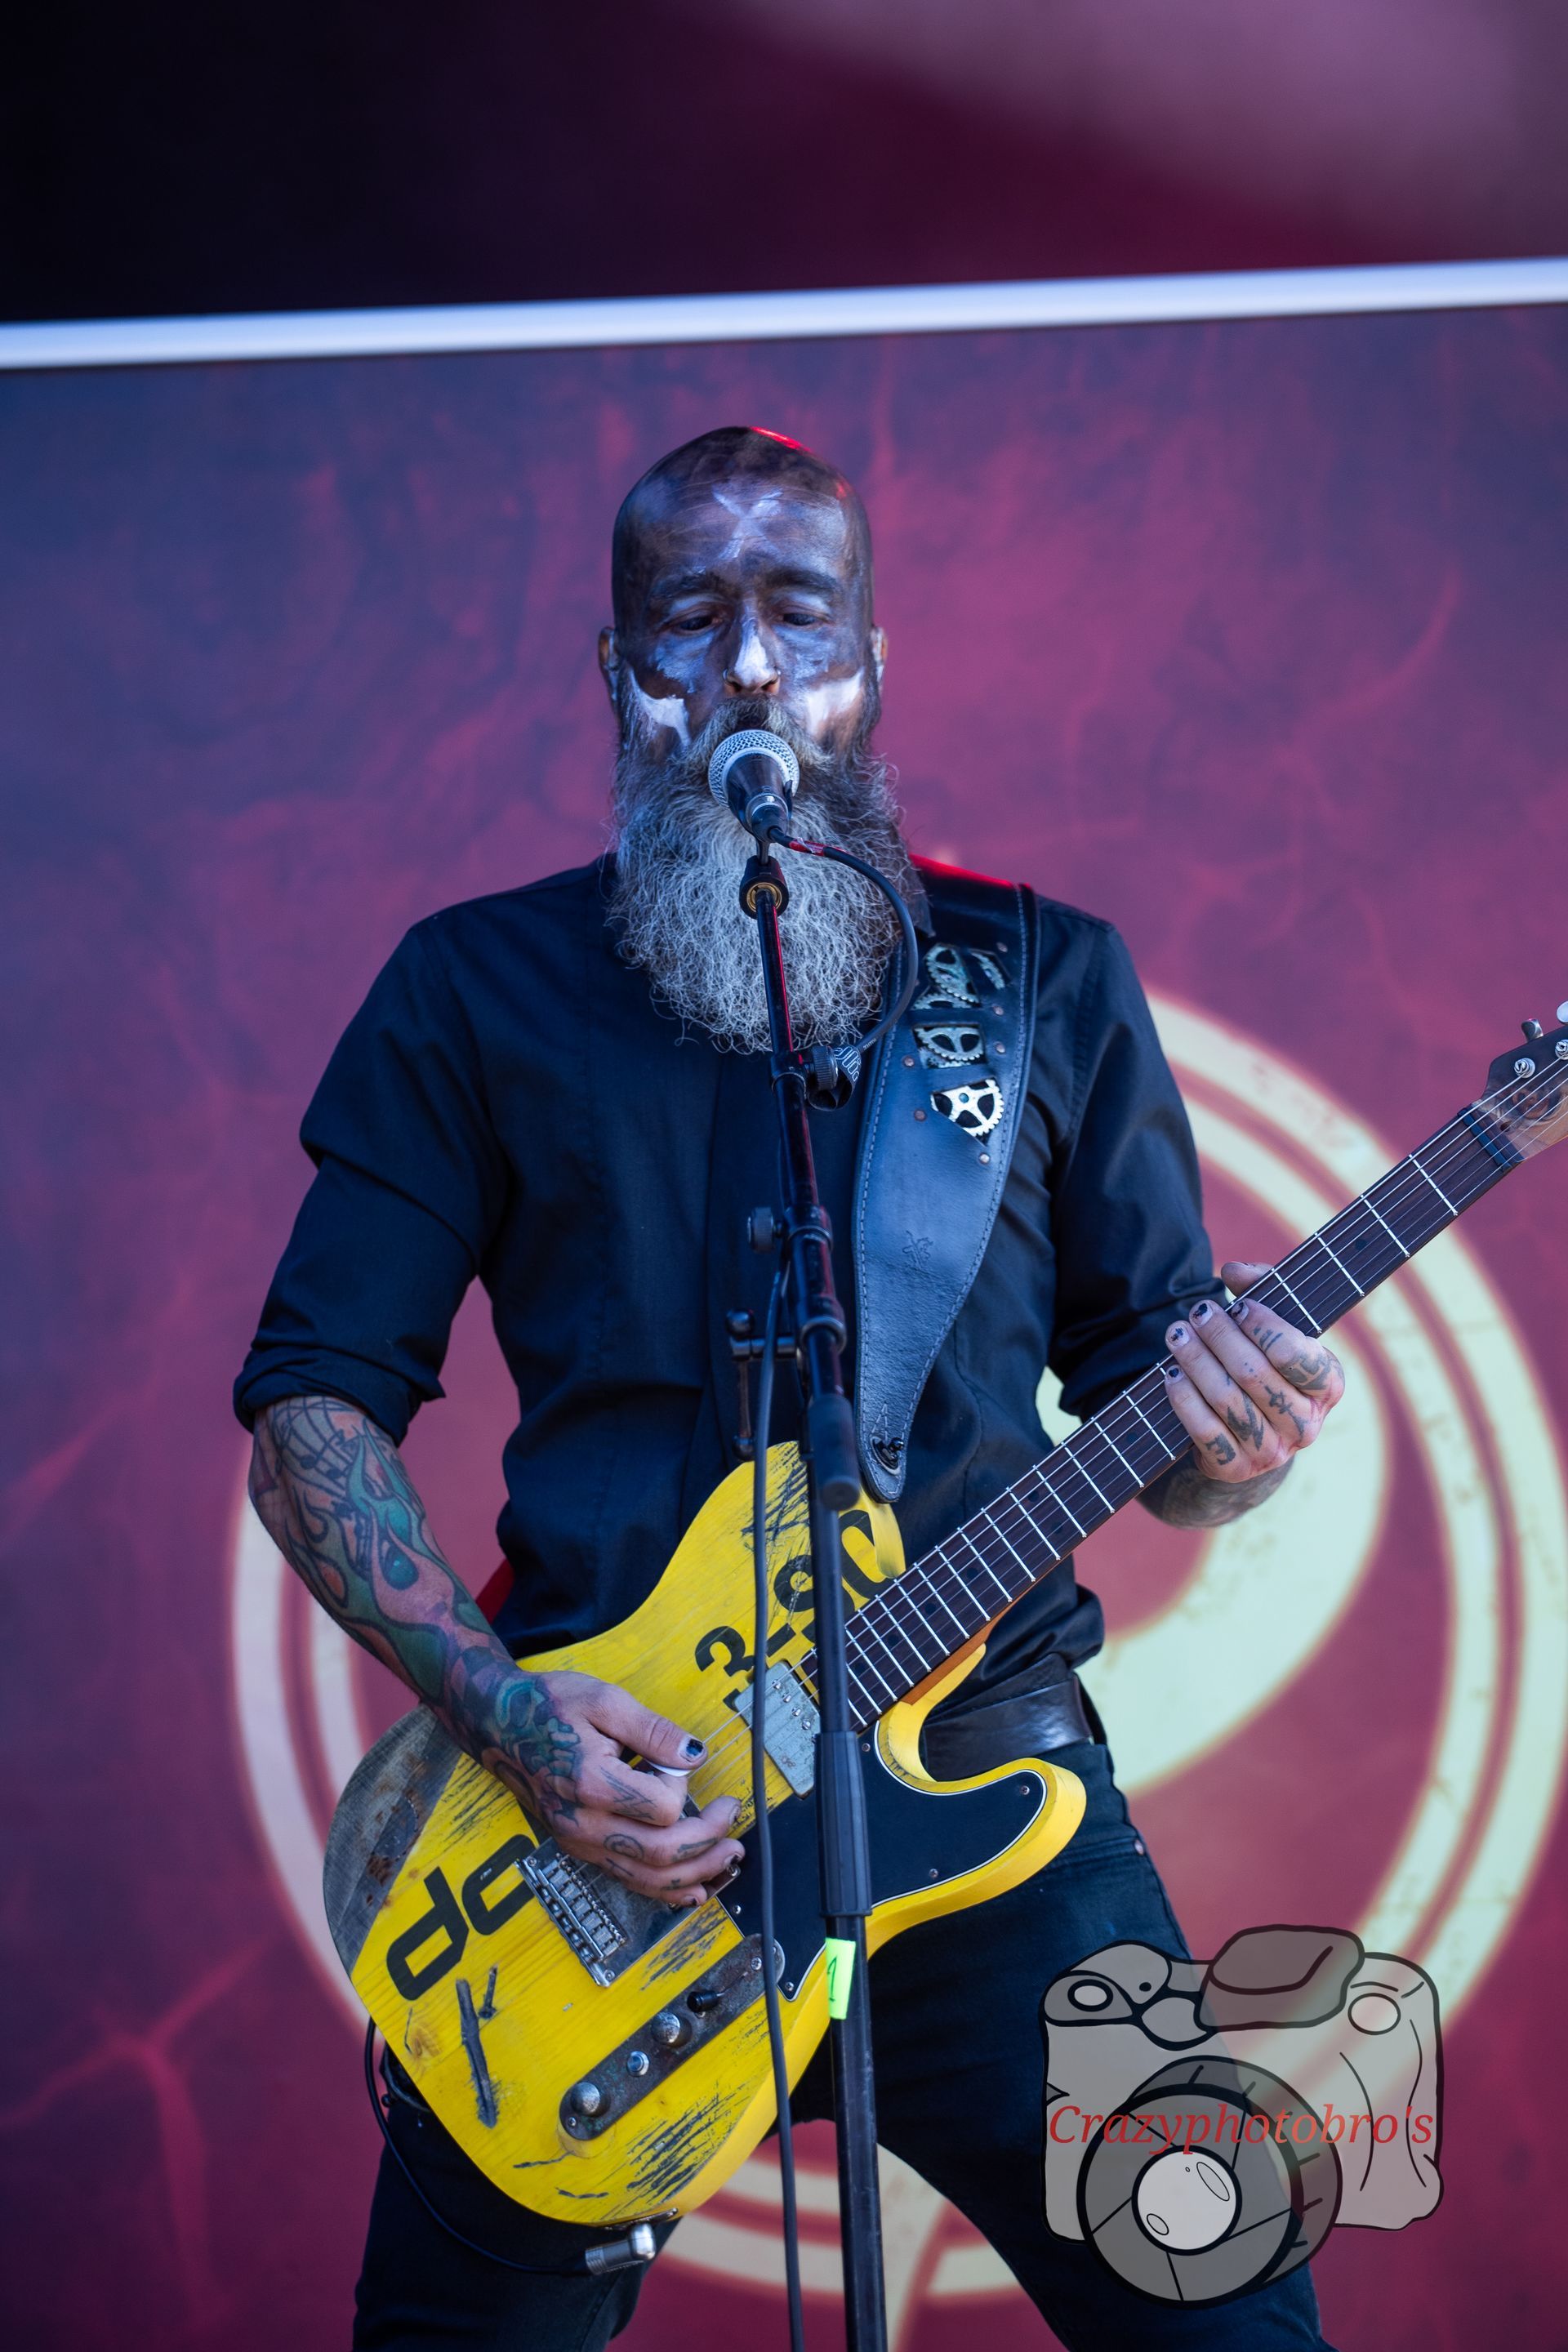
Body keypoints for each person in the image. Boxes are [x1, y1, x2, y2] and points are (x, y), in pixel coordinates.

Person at [236, 425, 1346, 2350]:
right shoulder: (474, 990)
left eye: (798, 613)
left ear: (868, 663)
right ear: (618, 671)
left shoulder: (1038, 979)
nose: (747, 665)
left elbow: (1162, 1420)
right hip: (609, 1823)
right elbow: (311, 1408)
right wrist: (512, 1719)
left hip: (984, 1788)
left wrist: (1237, 1450)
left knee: (1232, 2314)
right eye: (691, 616)